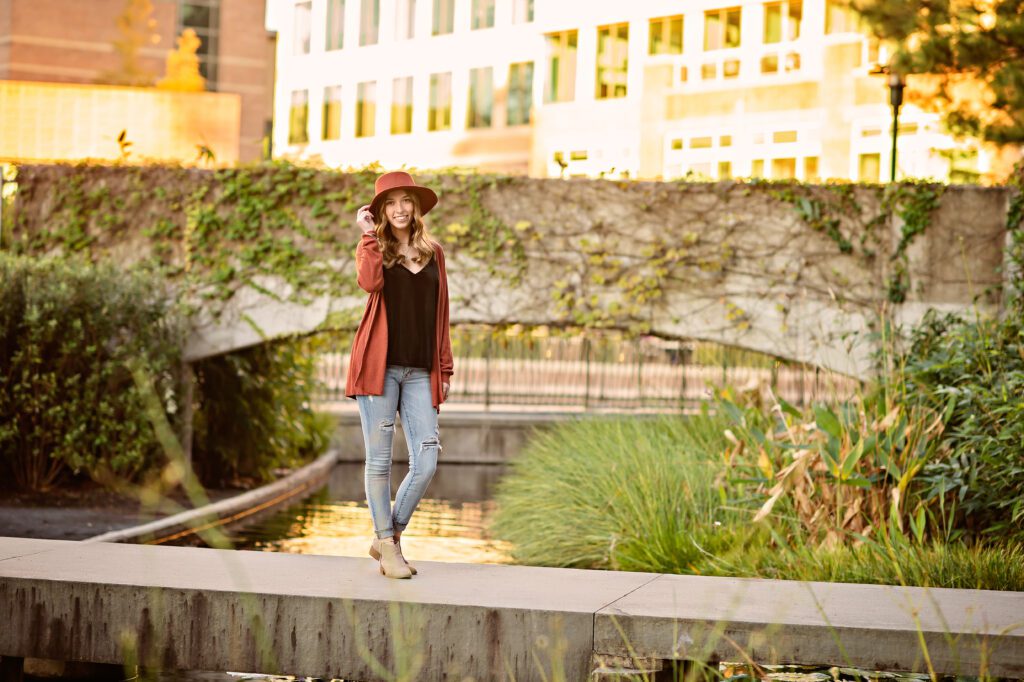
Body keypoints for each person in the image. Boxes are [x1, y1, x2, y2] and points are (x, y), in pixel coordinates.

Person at [345, 171, 454, 579]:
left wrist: (444, 368)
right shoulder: (373, 249)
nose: (400, 209)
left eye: (406, 200)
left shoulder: (434, 253)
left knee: (426, 459)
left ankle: (387, 537)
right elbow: (369, 283)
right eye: (390, 203)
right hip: (379, 369)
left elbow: (442, 313)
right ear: (380, 211)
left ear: (416, 206)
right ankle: (389, 549)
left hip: (420, 371)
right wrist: (367, 236)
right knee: (379, 461)